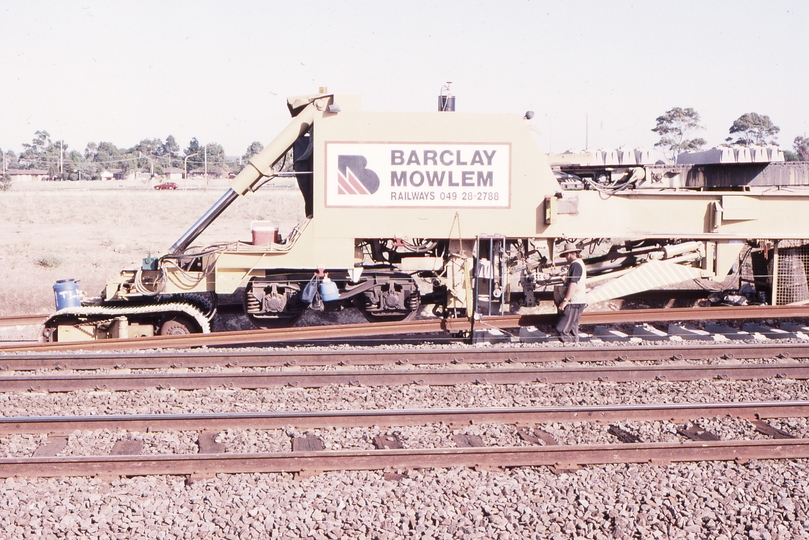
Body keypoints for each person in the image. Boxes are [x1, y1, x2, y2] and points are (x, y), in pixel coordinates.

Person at [555, 242, 587, 343]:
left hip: (573, 301)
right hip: (579, 300)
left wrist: (565, 300)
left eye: (565, 255)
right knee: (573, 330)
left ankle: (570, 349)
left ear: (569, 254)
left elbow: (573, 284)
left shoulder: (575, 265)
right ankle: (575, 350)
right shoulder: (580, 263)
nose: (565, 258)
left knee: (561, 329)